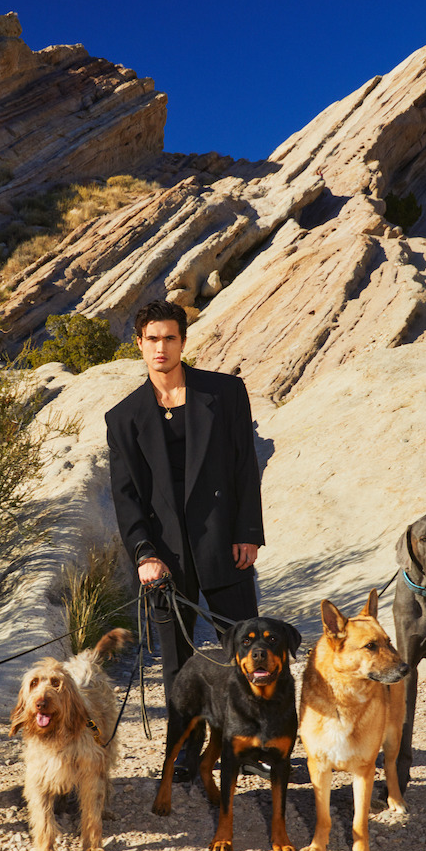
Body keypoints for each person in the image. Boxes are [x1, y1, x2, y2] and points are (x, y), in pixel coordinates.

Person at [105, 299, 264, 705]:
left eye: (170, 338)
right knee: (177, 665)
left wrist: (248, 533)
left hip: (225, 545)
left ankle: (257, 748)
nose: (162, 348)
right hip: (165, 559)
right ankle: (184, 759)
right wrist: (144, 555)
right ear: (139, 343)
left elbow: (245, 466)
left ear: (183, 341)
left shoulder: (224, 393)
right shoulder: (123, 418)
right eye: (153, 339)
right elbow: (127, 497)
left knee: (250, 654)